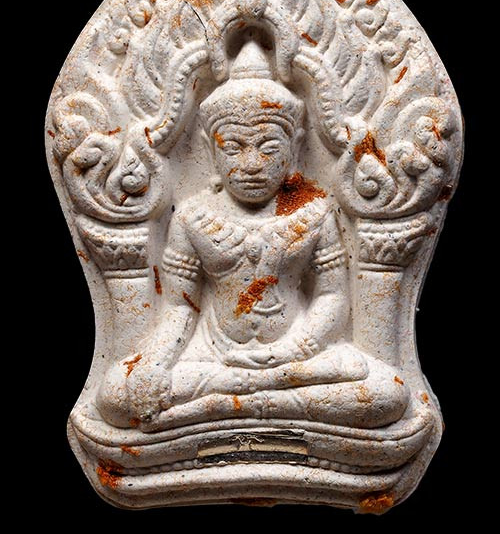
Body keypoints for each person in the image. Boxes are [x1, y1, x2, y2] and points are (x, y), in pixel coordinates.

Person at [97, 35, 408, 431]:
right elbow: (179, 307)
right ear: (211, 150)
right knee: (117, 395)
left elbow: (332, 296)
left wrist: (296, 349)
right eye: (234, 148)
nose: (251, 164)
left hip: (297, 358)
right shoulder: (192, 217)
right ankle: (259, 399)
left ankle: (222, 404)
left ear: (294, 148)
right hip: (212, 356)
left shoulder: (313, 212)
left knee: (385, 393)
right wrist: (157, 363)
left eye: (268, 148)